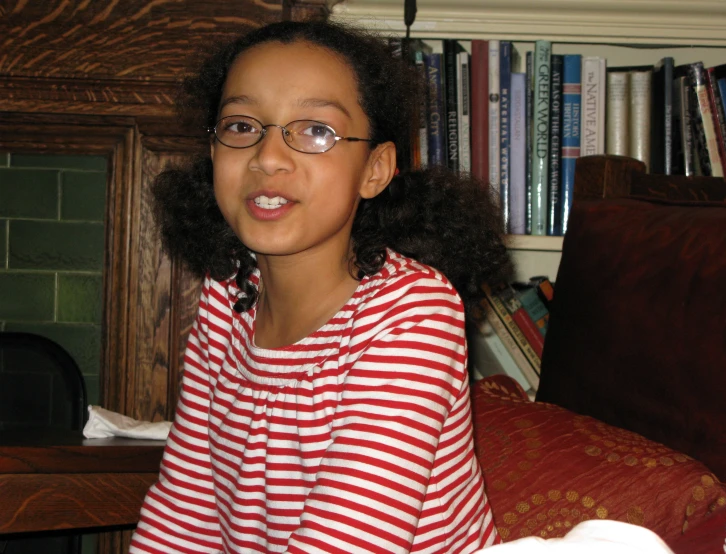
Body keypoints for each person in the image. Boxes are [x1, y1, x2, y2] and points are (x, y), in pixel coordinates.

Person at [129, 19, 510, 554]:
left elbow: (348, 541)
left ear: (374, 169)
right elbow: (184, 511)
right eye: (241, 126)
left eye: (315, 130)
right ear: (213, 153)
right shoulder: (227, 300)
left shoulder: (414, 313)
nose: (267, 157)